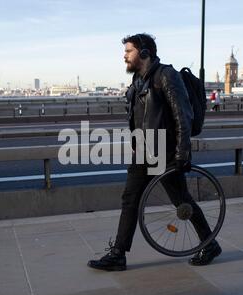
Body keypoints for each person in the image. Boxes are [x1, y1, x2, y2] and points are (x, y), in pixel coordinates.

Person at [87, 33, 221, 271]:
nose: (124, 56)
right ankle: (118, 254)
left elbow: (183, 114)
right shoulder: (139, 80)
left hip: (165, 151)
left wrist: (182, 153)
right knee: (130, 200)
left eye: (129, 51)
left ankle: (209, 244)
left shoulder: (166, 76)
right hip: (144, 149)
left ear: (145, 52)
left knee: (181, 200)